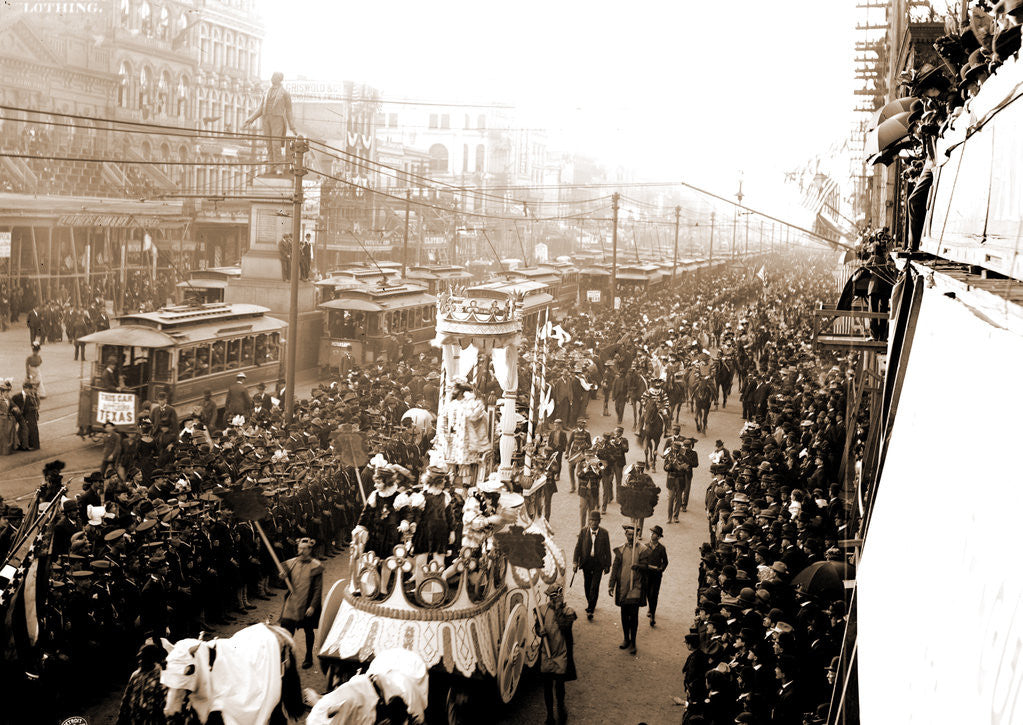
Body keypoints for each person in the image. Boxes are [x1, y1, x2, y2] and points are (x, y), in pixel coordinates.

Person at [535, 582, 576, 725]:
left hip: (561, 653)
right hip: (546, 653)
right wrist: (539, 631)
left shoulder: (568, 612)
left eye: (558, 597)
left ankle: (560, 707)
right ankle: (550, 715)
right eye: (553, 598)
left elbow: (566, 627)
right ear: (549, 598)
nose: (556, 600)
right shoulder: (542, 611)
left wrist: (558, 610)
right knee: (547, 687)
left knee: (559, 686)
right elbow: (537, 627)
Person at [280, 537, 323, 669]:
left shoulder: (316, 566)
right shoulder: (291, 563)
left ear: (310, 550)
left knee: (308, 631)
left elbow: (318, 589)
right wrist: (282, 578)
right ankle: (283, 658)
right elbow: (283, 586)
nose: (302, 551)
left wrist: (313, 606)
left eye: (305, 549)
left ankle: (308, 657)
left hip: (307, 604)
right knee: (285, 632)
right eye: (300, 548)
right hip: (292, 603)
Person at [608, 523, 649, 655]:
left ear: (637, 535)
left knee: (634, 616)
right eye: (628, 534)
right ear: (625, 535)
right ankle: (626, 638)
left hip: (636, 587)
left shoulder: (642, 550)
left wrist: (639, 566)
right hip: (623, 587)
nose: (630, 536)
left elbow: (647, 566)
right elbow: (615, 568)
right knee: (624, 615)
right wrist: (611, 584)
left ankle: (633, 641)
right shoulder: (621, 550)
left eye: (633, 534)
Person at [243, 71, 296, 166]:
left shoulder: (285, 93)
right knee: (268, 143)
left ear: (279, 79)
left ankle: (278, 164)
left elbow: (289, 110)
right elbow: (260, 108)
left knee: (276, 143)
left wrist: (292, 127)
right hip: (266, 118)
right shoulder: (266, 92)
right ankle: (271, 163)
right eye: (272, 76)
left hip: (277, 118)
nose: (272, 78)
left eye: (274, 77)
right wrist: (251, 118)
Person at [115, 642, 167, 725]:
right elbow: (126, 699)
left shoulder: (161, 677)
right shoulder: (135, 675)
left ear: (152, 659)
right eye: (139, 658)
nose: (140, 661)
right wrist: (121, 719)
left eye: (144, 658)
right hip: (134, 720)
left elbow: (164, 705)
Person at [572, 510, 611, 621]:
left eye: (595, 521)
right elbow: (578, 548)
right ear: (588, 521)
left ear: (599, 522)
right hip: (586, 562)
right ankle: (591, 601)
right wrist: (575, 562)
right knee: (587, 585)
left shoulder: (604, 533)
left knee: (595, 586)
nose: (593, 523)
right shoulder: (583, 532)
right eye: (591, 520)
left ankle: (590, 609)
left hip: (598, 564)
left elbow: (607, 550)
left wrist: (608, 565)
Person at [643, 525, 668, 627]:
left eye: (654, 533)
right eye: (651, 532)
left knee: (654, 593)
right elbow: (641, 559)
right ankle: (650, 607)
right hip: (647, 574)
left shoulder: (661, 548)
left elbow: (665, 562)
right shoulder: (644, 546)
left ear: (658, 537)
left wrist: (660, 568)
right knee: (648, 592)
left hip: (656, 575)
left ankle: (652, 614)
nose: (651, 534)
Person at [574, 450, 602, 529]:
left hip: (593, 491)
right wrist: (585, 469)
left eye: (591, 456)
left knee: (591, 511)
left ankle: (590, 529)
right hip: (584, 491)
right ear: (585, 456)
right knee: (583, 511)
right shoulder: (581, 464)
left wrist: (596, 468)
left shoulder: (597, 463)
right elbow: (578, 475)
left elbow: (600, 475)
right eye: (588, 456)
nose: (589, 458)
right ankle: (582, 529)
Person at [12, 379, 40, 450]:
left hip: (28, 415)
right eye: (29, 389)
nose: (30, 391)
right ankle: (19, 444)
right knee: (14, 429)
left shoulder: (32, 395)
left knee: (26, 429)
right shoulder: (17, 396)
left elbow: (36, 405)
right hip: (18, 415)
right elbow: (12, 405)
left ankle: (26, 445)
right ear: (24, 388)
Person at [0, 380, 16, 455]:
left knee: (7, 434)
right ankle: (3, 451)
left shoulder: (8, 399)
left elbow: (13, 405)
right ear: (2, 392)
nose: (7, 393)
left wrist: (14, 408)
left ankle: (7, 450)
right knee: (2, 435)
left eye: (7, 392)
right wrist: (2, 413)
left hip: (7, 419)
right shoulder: (0, 400)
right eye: (6, 392)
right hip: (1, 420)